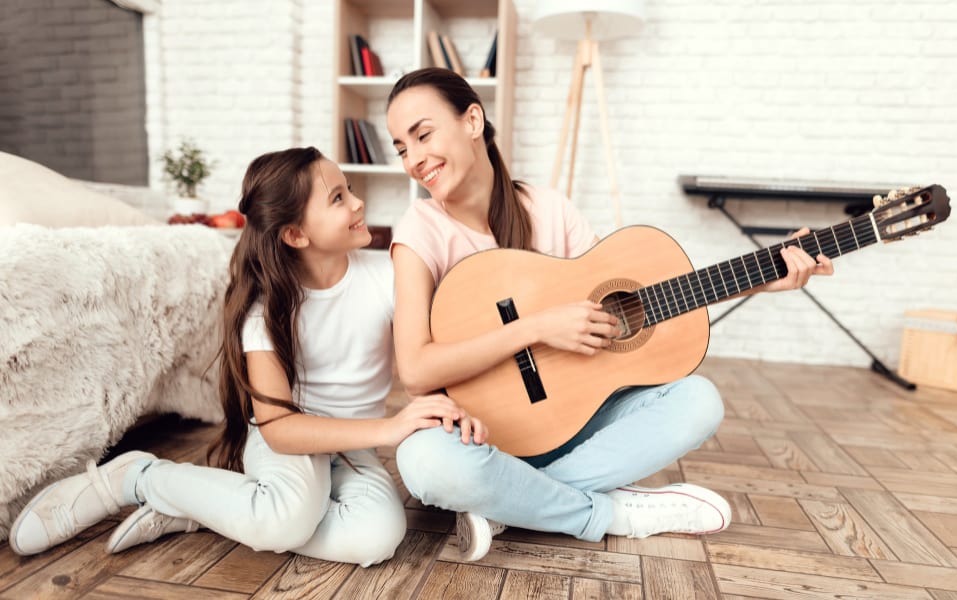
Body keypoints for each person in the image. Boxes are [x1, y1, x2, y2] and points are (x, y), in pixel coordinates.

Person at [384, 67, 835, 562]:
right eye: (402, 147)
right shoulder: (419, 231)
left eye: (423, 135)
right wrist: (535, 327)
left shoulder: (549, 208)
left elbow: (628, 305)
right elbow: (417, 371)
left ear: (473, 121)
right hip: (479, 435)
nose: (415, 159)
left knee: (699, 400)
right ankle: (611, 515)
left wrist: (764, 277)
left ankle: (515, 503)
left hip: (571, 426)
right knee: (425, 465)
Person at [8, 146, 481, 567]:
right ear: (296, 234)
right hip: (289, 441)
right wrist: (390, 429)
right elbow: (280, 428)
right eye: (338, 198)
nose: (358, 203)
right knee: (288, 519)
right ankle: (137, 478)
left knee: (377, 537)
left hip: (352, 447)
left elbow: (436, 342)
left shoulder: (389, 276)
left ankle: (216, 509)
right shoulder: (266, 311)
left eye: (349, 190)